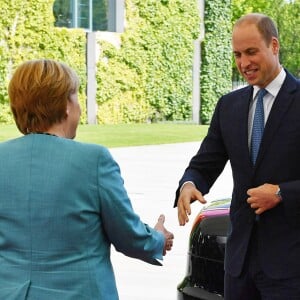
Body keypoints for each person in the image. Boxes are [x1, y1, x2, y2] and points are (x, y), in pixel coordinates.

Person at [0, 59, 174, 300]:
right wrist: (158, 238)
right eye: (76, 97)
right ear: (66, 105)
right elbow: (128, 236)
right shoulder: (93, 160)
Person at [174, 13, 300, 299]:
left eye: (252, 52)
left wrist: (282, 193)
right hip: (238, 266)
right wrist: (190, 185)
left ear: (275, 46)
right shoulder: (229, 106)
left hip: (291, 267)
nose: (244, 63)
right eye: (237, 54)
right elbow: (205, 163)